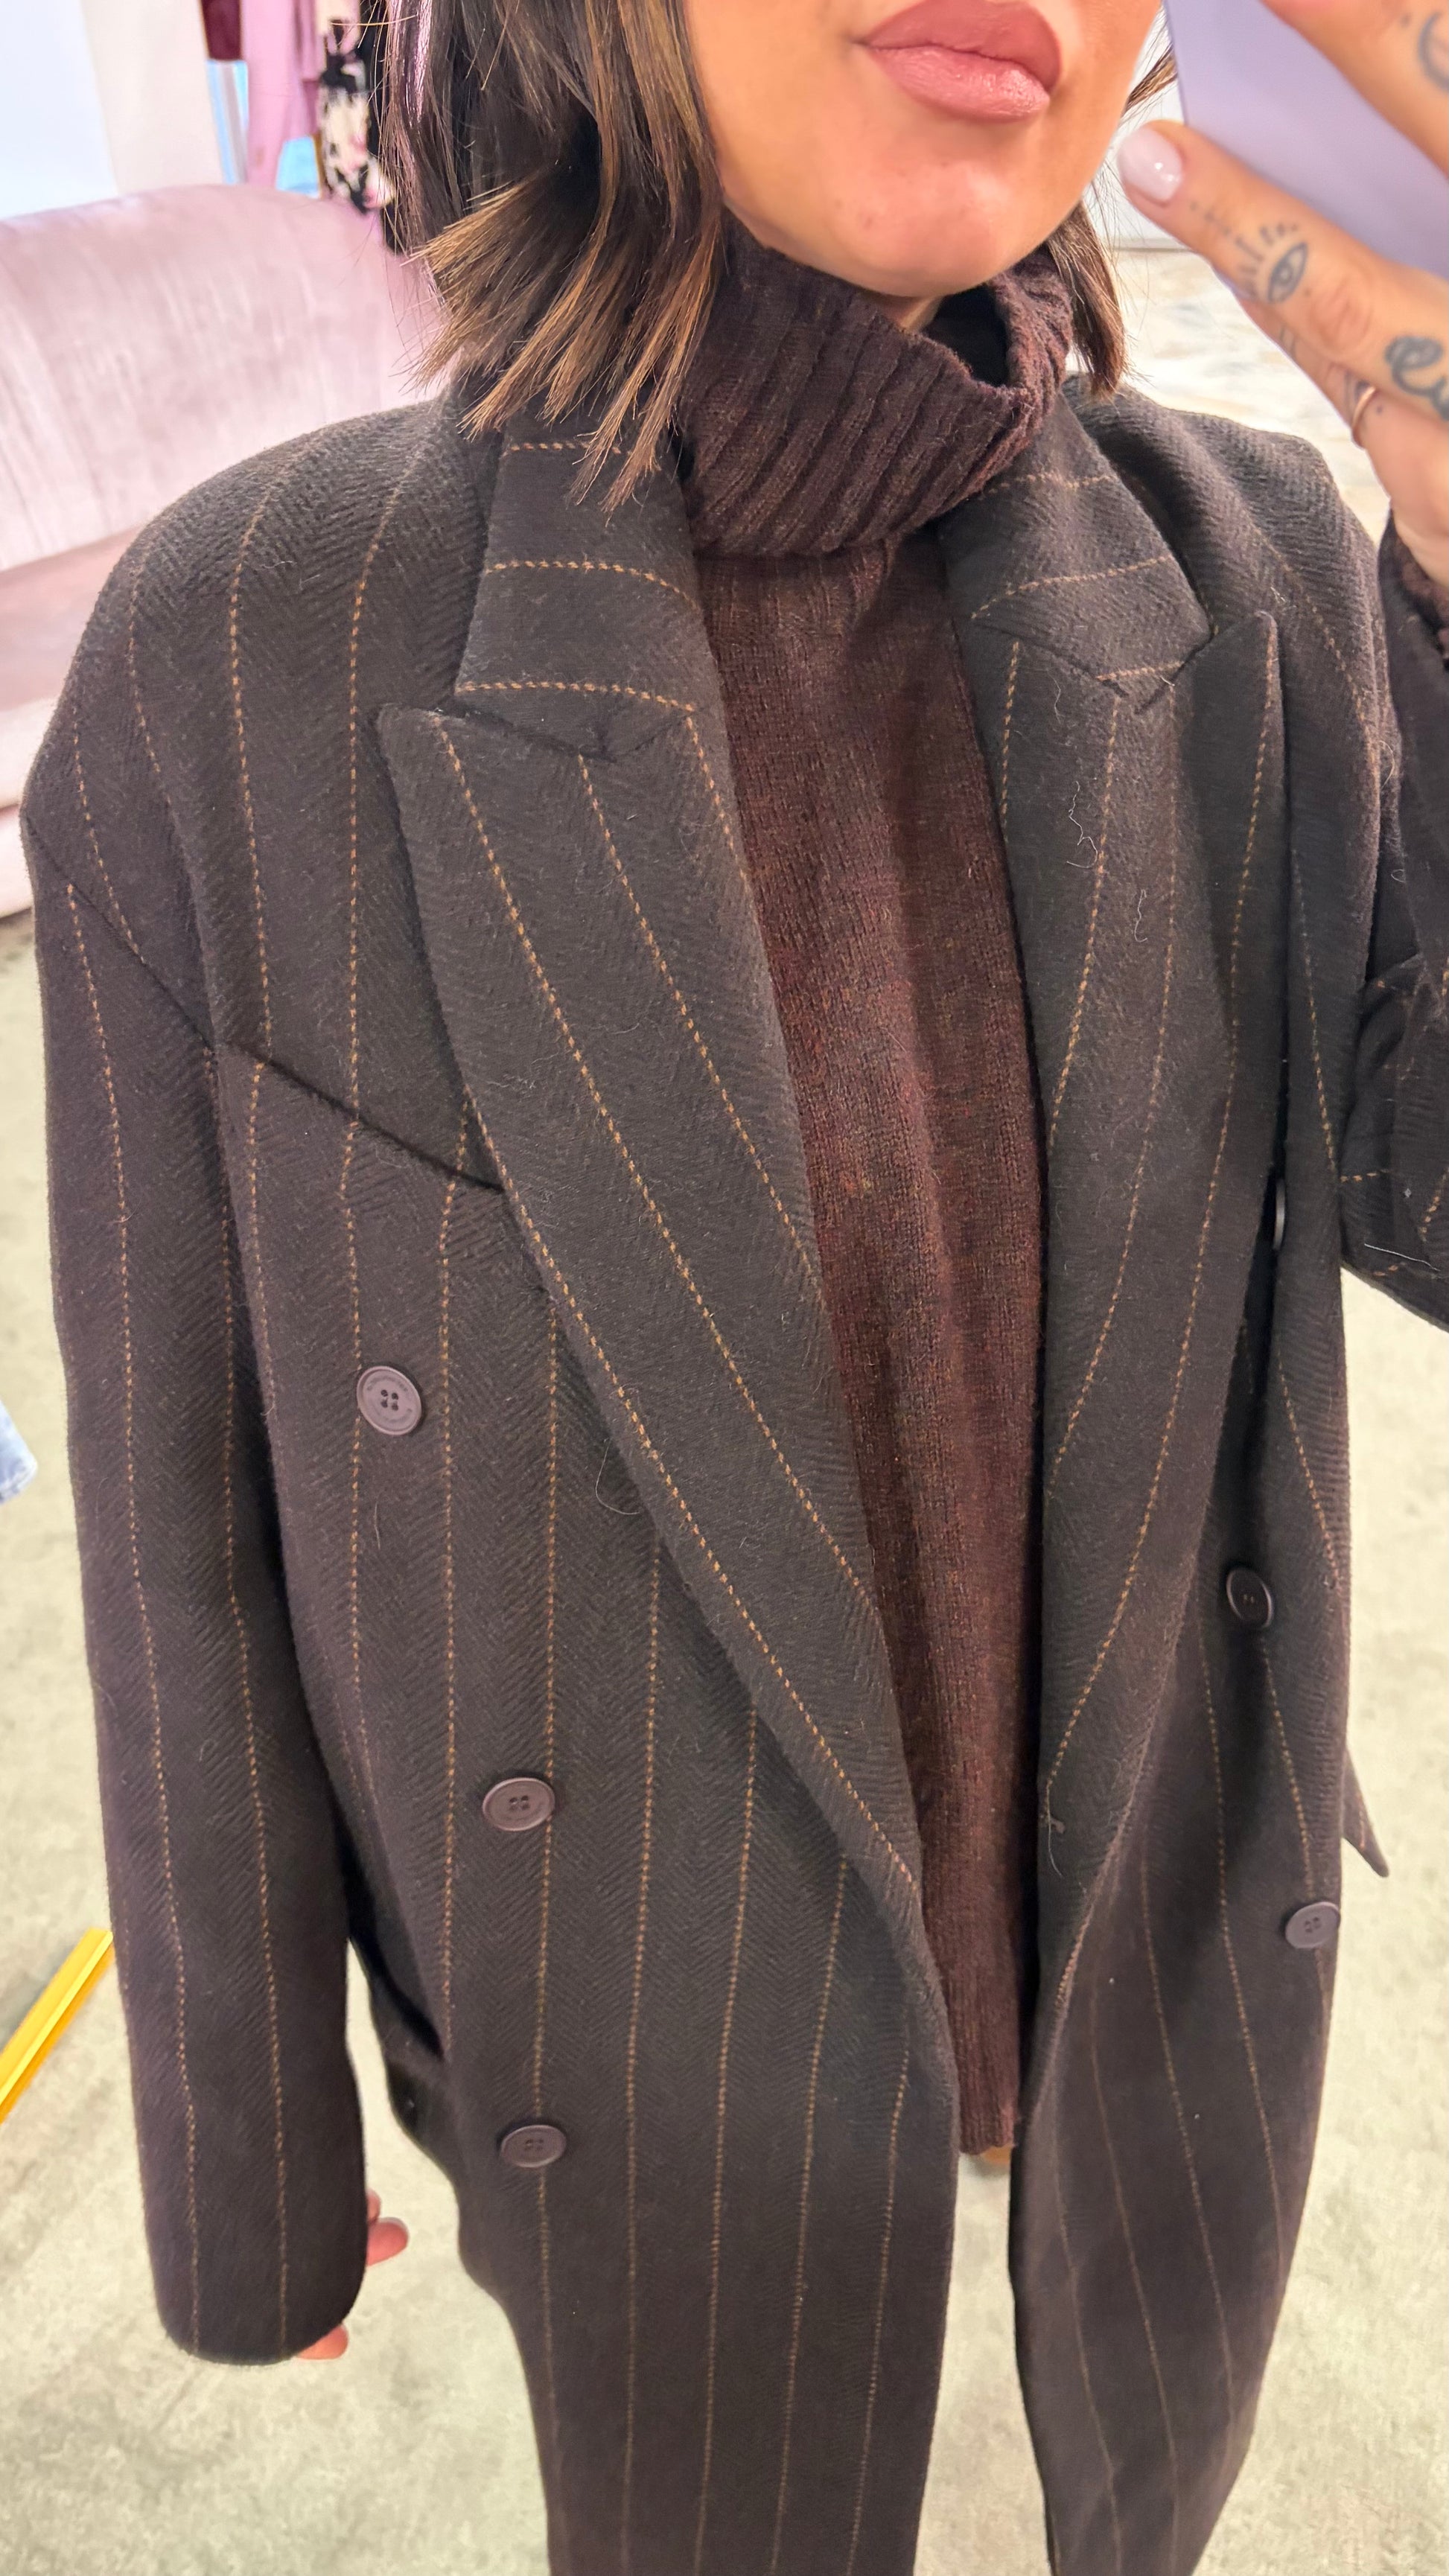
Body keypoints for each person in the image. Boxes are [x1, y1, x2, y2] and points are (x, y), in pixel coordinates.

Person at [22, 2, 1447, 2570]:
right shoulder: (241, 653)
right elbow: (178, 1514)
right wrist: (248, 2167)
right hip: (637, 2018)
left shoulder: (1262, 577)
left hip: (1151, 1938)